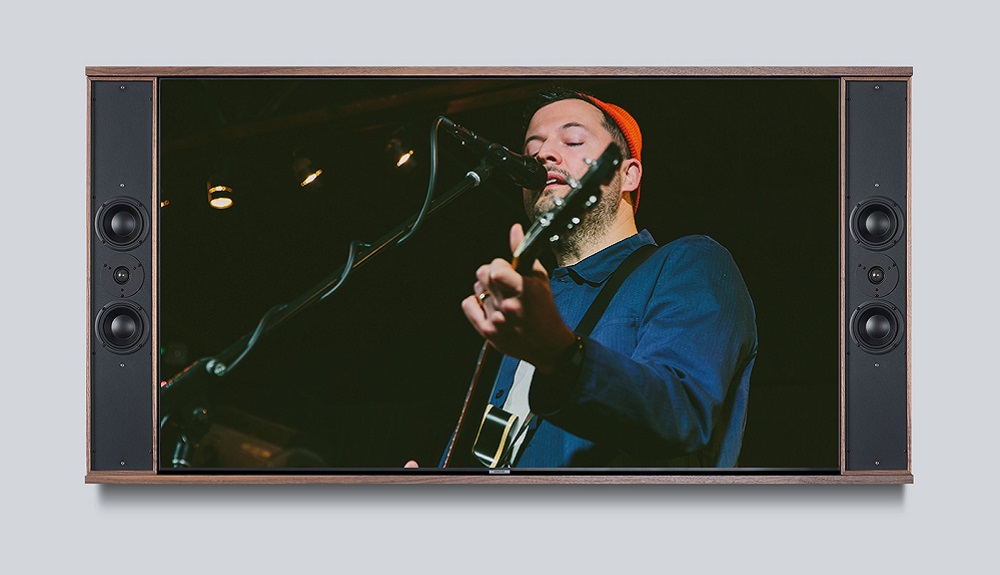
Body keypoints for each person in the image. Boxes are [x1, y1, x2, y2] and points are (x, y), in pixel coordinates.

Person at [431, 89, 758, 468]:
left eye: (572, 140)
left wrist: (562, 355)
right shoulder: (529, 303)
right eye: (532, 147)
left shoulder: (690, 262)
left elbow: (681, 414)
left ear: (628, 174)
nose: (542, 155)